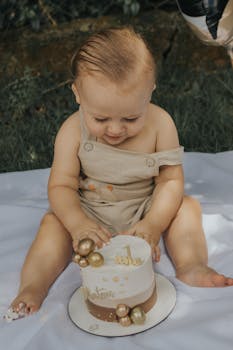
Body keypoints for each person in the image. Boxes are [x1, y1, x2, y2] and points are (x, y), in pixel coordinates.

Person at [7, 27, 233, 320]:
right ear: (77, 94)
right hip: (91, 209)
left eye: (130, 118)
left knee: (186, 207)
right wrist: (77, 224)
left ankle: (192, 265)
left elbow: (170, 180)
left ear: (150, 90)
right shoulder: (71, 130)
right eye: (100, 118)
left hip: (145, 207)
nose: (115, 129)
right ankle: (33, 286)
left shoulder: (161, 123)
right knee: (53, 223)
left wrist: (153, 224)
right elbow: (62, 185)